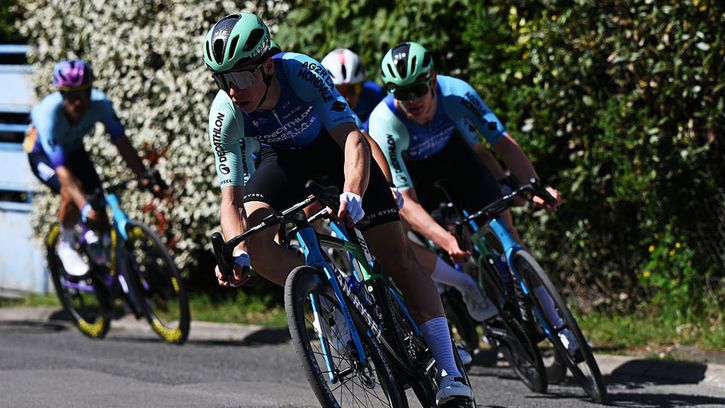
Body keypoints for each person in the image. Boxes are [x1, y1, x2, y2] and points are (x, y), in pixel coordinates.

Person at [203, 13, 473, 405]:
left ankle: (451, 371)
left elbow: (352, 139)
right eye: (222, 79)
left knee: (398, 259)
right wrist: (238, 251)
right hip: (283, 164)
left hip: (336, 152)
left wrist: (353, 193)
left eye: (241, 77)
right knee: (256, 243)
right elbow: (231, 200)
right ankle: (333, 296)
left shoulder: (301, 72)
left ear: (267, 66)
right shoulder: (225, 112)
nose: (232, 90)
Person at [367, 42, 577, 355]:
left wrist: (534, 186)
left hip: (458, 161)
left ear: (433, 80)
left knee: (506, 230)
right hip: (418, 180)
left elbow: (501, 142)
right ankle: (466, 289)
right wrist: (444, 240)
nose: (411, 100)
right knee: (419, 235)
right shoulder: (384, 122)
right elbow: (406, 200)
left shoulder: (457, 93)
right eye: (401, 92)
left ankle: (556, 322)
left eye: (417, 89)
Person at [25, 59, 164, 277]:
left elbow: (122, 142)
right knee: (72, 192)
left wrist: (144, 176)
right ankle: (67, 245)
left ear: (91, 91)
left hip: (73, 148)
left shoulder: (101, 104)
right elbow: (62, 170)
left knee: (99, 206)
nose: (77, 102)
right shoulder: (48, 115)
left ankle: (107, 269)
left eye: (83, 93)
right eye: (70, 96)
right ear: (60, 94)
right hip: (42, 153)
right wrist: (84, 208)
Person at [320, 48, 385, 130]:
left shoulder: (375, 94)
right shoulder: (317, 110)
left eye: (353, 89)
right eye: (339, 91)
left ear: (362, 85)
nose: (347, 98)